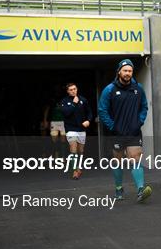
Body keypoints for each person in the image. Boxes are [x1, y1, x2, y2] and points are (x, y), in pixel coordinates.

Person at [98, 59, 152, 203]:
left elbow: (144, 107)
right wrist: (112, 126)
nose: (128, 73)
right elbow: (102, 110)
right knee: (117, 162)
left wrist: (139, 121)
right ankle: (118, 188)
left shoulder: (138, 88)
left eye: (130, 71)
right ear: (119, 72)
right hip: (117, 133)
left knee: (136, 158)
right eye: (125, 70)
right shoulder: (109, 89)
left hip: (133, 132)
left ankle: (140, 190)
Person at [60, 83, 93, 180]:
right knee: (73, 148)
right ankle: (75, 170)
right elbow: (66, 113)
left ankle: (78, 166)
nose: (73, 91)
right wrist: (74, 103)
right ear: (67, 91)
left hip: (81, 129)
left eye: (74, 89)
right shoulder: (64, 101)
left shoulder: (83, 100)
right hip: (70, 129)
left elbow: (89, 112)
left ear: (77, 89)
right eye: (71, 90)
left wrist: (88, 120)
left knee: (80, 151)